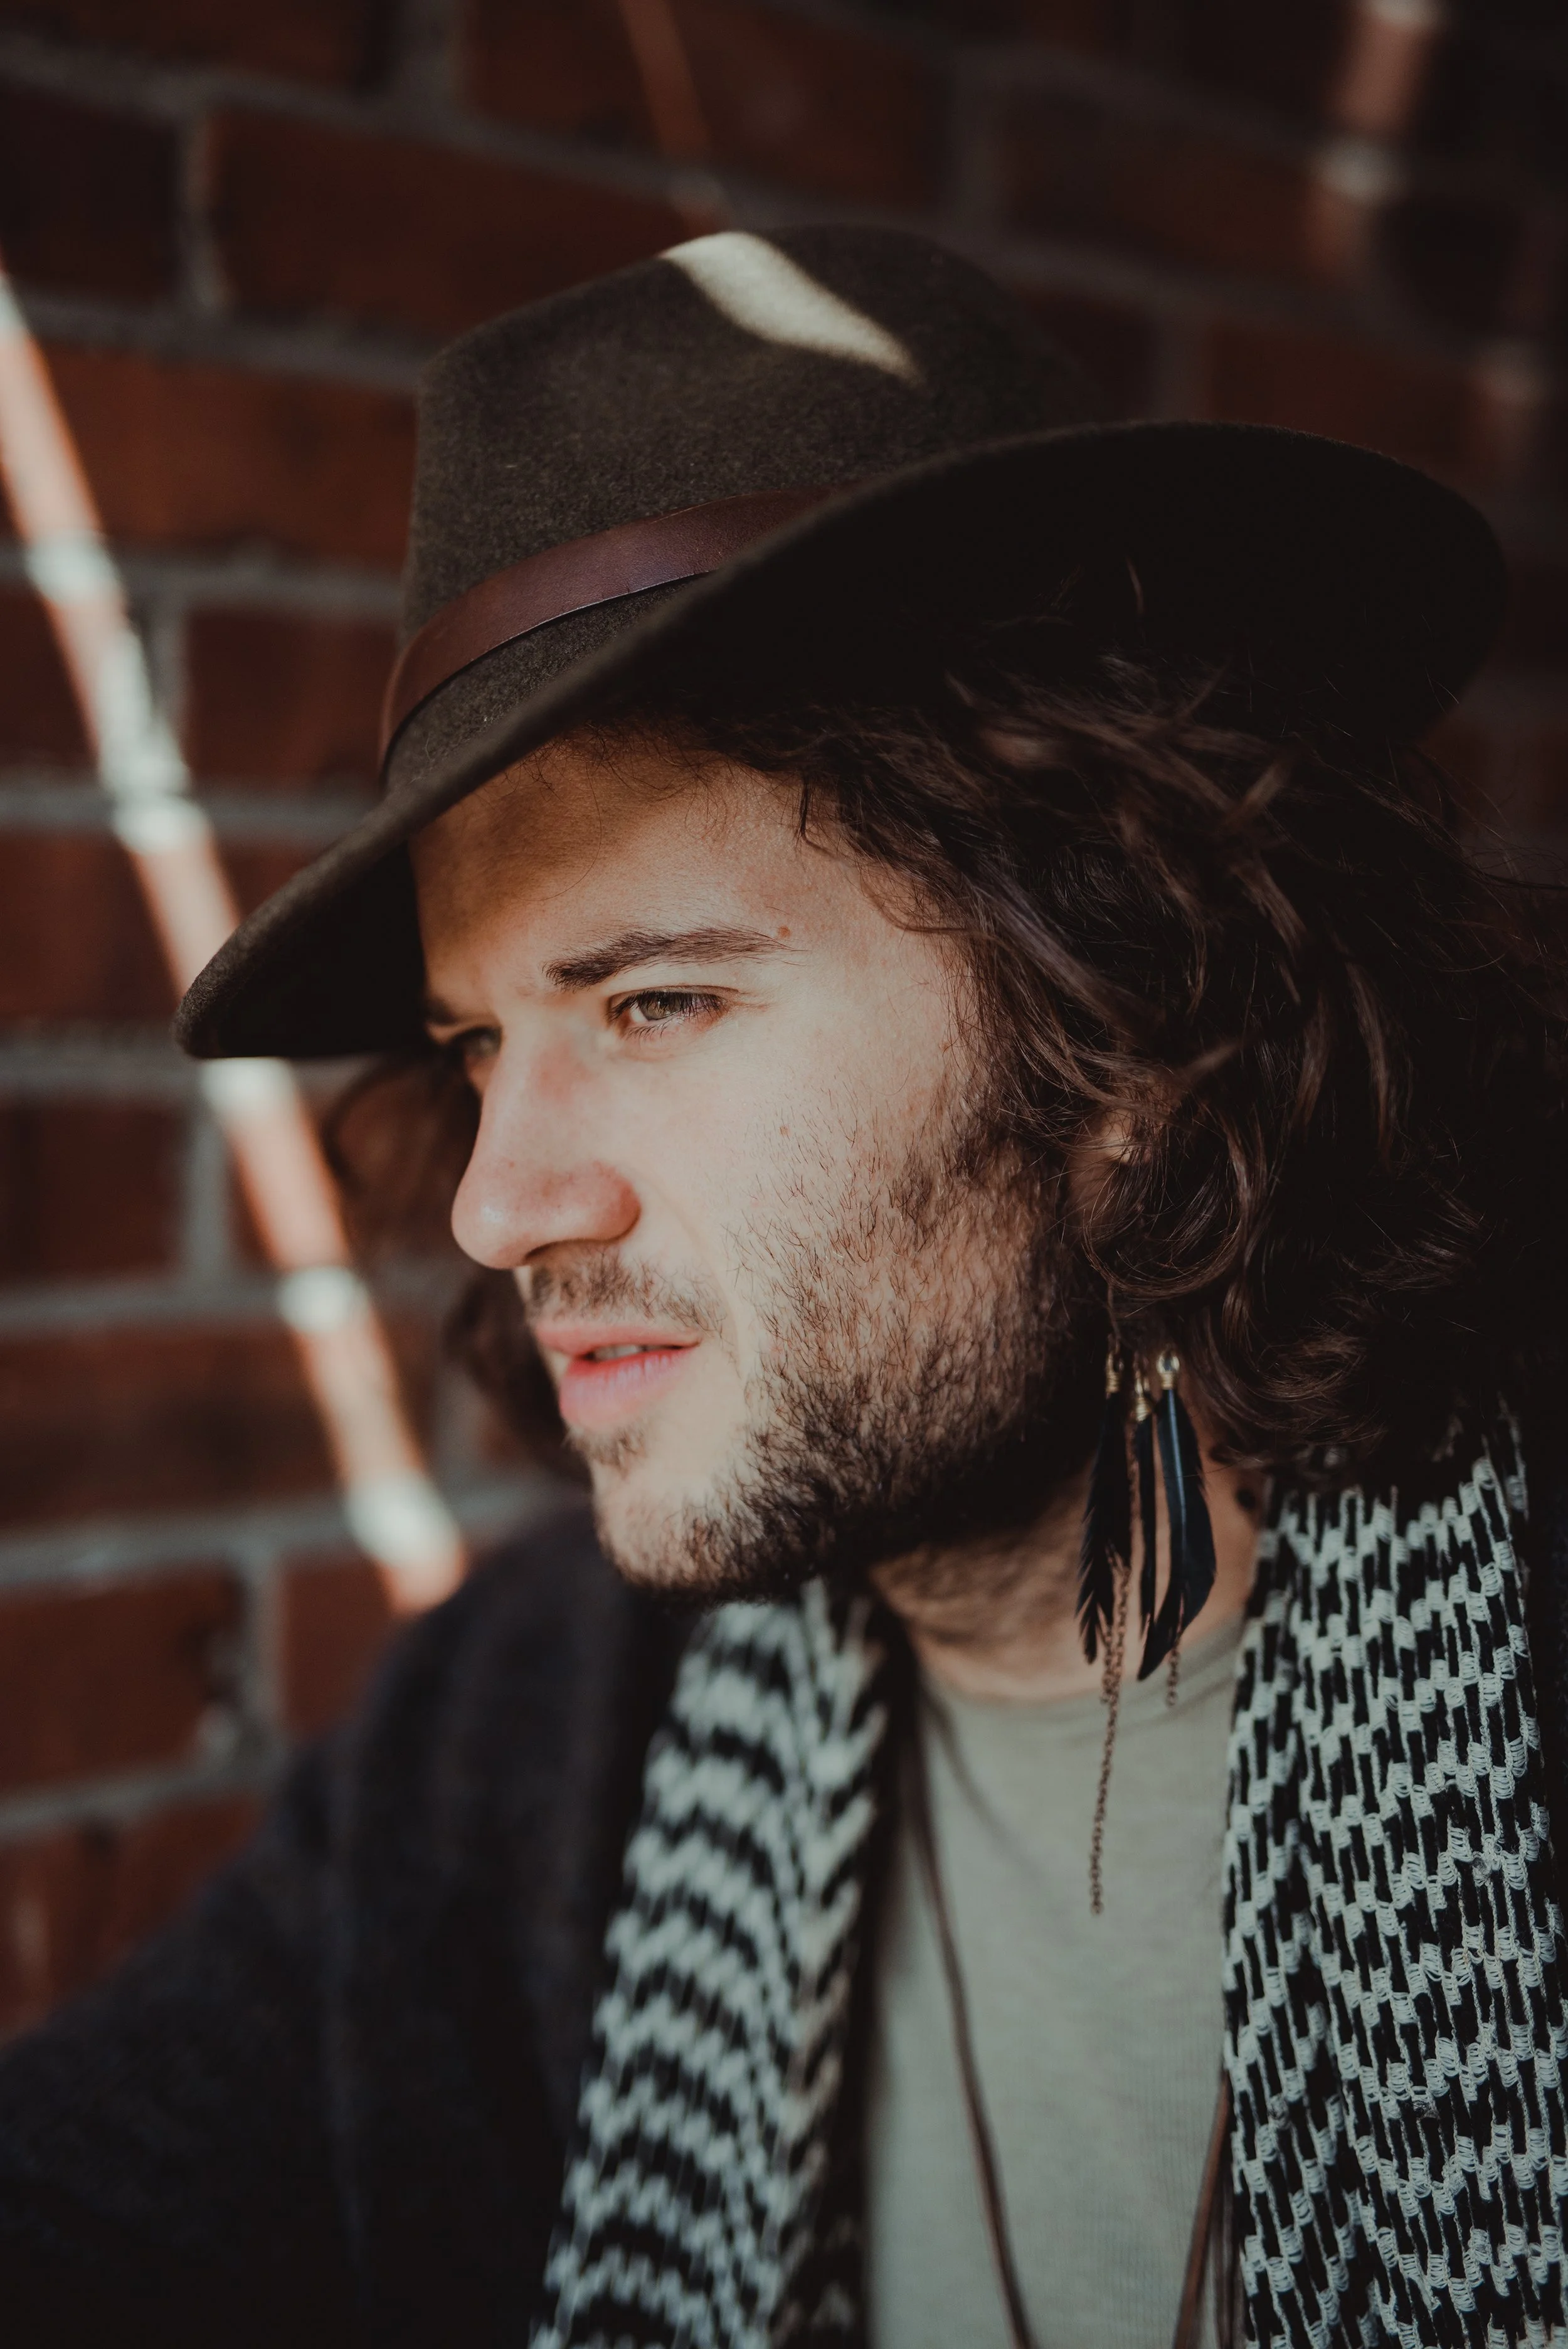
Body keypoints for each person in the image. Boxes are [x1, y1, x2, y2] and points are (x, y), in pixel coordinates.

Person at [2, 224, 1565, 2349]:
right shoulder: (528, 1739)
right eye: (476, 1043)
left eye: (650, 1004)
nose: (497, 1201)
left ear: (1130, 1016)